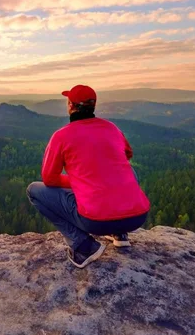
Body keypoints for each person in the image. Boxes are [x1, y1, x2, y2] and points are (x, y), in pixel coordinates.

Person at [27, 85, 150, 268]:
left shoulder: (61, 136)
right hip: (137, 217)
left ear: (70, 106)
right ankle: (120, 233)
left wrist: (80, 183)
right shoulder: (112, 128)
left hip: (96, 222)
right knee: (128, 171)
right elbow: (127, 155)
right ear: (93, 106)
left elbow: (49, 179)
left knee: (34, 190)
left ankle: (83, 246)